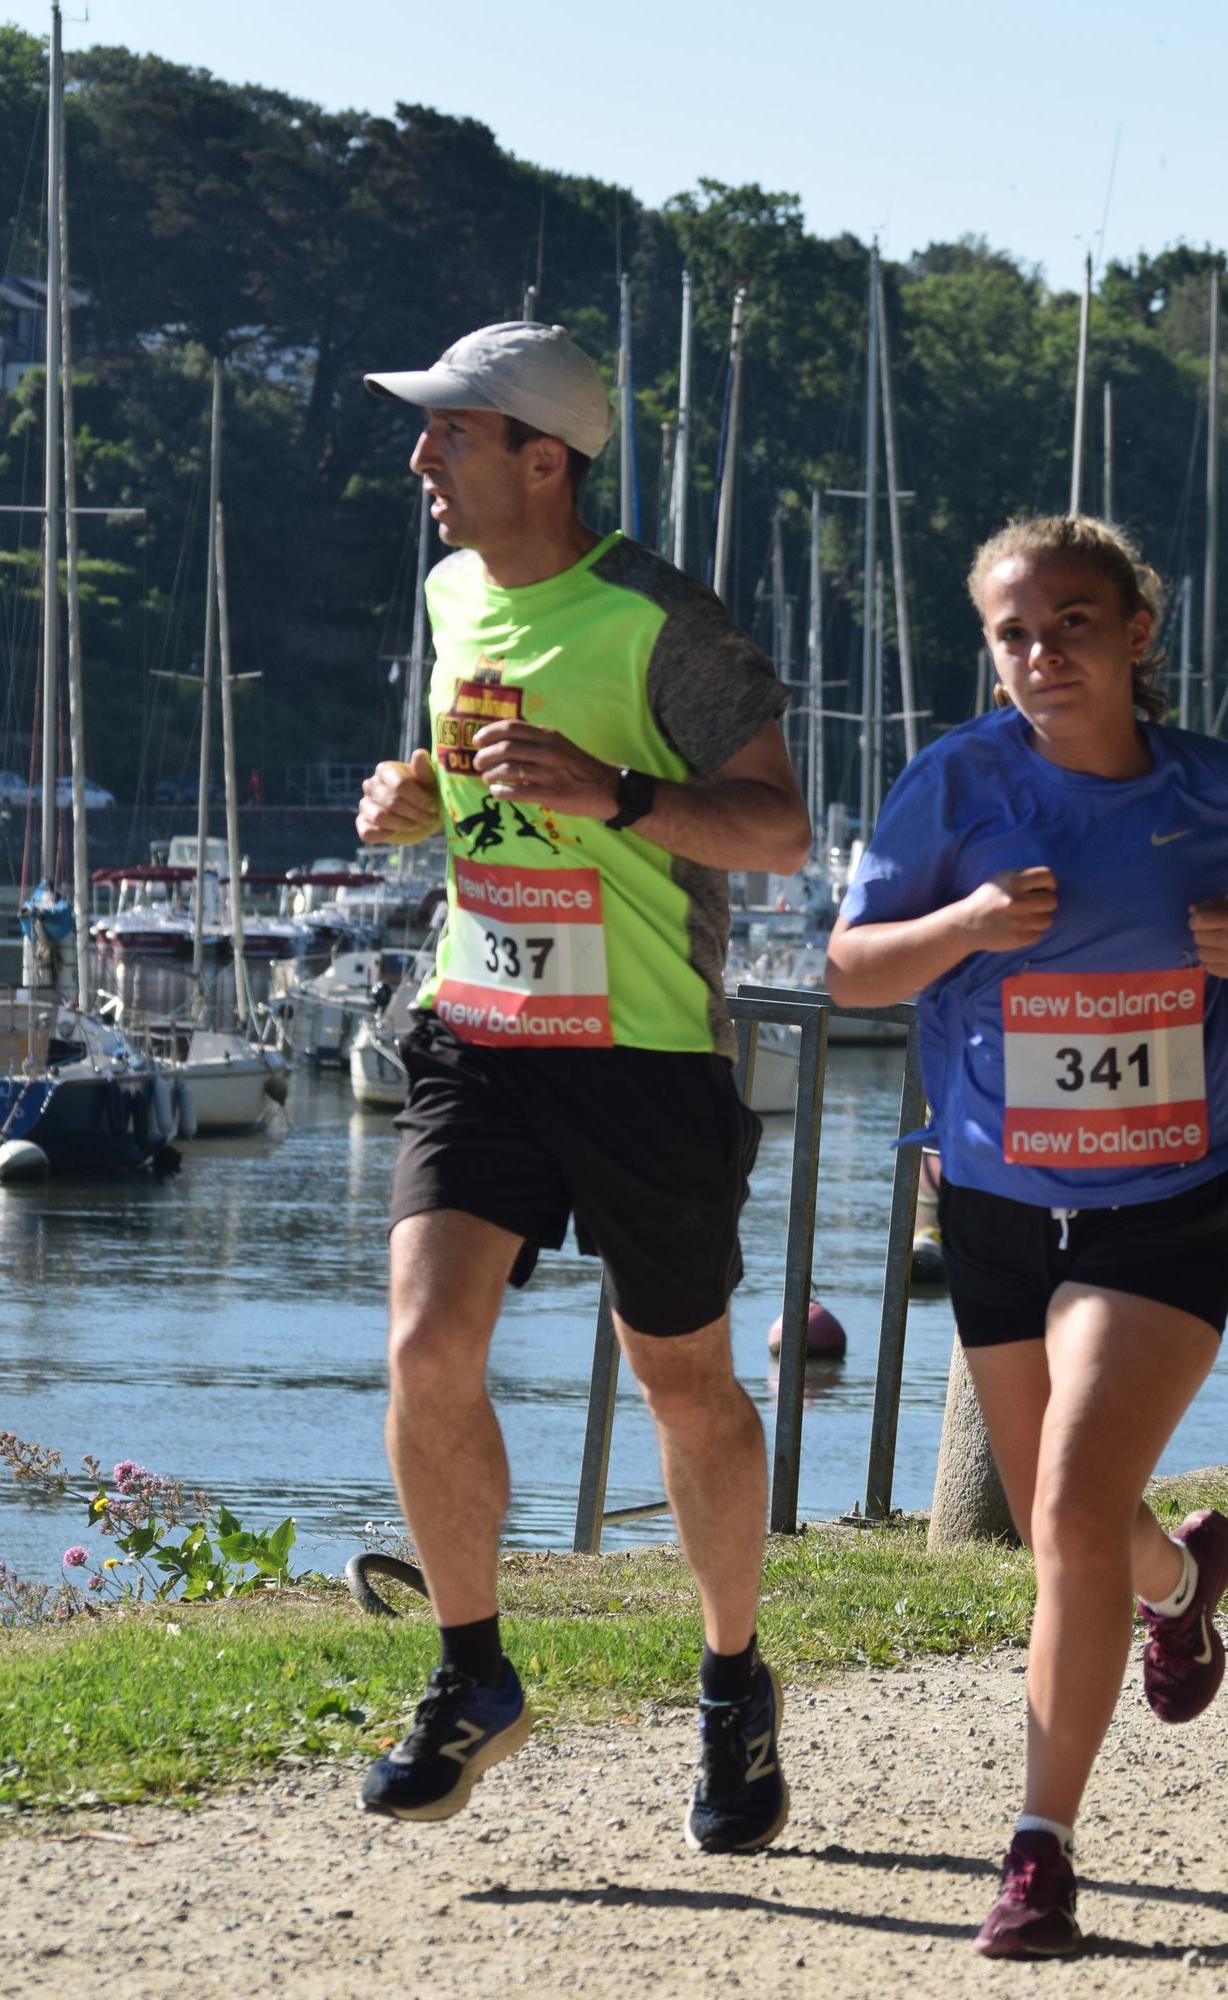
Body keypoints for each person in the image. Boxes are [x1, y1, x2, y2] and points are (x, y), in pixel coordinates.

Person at [824, 514, 1228, 1957]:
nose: (1042, 652)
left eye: (1072, 623)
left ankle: (1038, 1849)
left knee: (1060, 1509)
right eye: (1014, 632)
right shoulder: (955, 783)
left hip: (1162, 1208)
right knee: (1081, 1514)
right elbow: (851, 968)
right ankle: (1179, 1585)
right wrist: (967, 925)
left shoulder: (1218, 785)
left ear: (1135, 634)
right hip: (997, 1207)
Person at [351, 321, 811, 1844]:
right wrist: (417, 796)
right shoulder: (450, 591)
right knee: (427, 1346)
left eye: (451, 432)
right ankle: (472, 1673)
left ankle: (732, 1681)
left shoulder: (664, 624)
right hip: (477, 1031)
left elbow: (779, 830)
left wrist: (616, 793)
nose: (421, 456)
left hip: (644, 1055)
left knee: (684, 1382)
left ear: (543, 459)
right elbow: (474, 789)